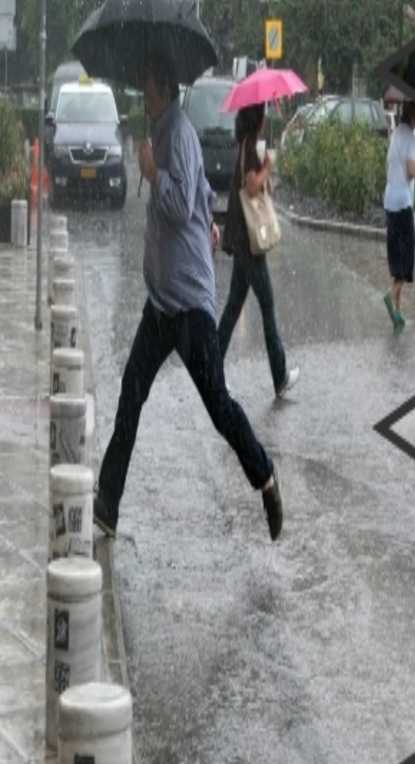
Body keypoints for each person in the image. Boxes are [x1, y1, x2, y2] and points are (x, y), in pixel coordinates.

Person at [92, 50, 283, 542]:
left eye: (146, 87)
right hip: (161, 304)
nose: (142, 94)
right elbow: (197, 195)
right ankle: (106, 505)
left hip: (190, 306)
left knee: (218, 403)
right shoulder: (164, 131)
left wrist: (155, 175)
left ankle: (264, 474)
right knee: (130, 398)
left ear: (161, 90)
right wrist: (211, 225)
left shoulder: (176, 134)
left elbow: (177, 203)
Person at [216, 103, 299, 398]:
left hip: (242, 242)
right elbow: (251, 186)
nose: (266, 119)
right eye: (264, 115)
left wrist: (265, 178)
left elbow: (252, 184)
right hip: (250, 245)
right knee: (268, 306)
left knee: (233, 307)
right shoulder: (250, 147)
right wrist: (266, 168)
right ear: (257, 119)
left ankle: (211, 372)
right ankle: (280, 376)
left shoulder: (246, 145)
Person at [383, 99, 415, 327]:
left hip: (389, 200)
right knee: (407, 254)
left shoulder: (395, 135)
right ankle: (392, 293)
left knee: (396, 253)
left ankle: (397, 311)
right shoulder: (410, 137)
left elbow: (387, 167)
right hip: (403, 202)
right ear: (414, 116)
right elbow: (410, 171)